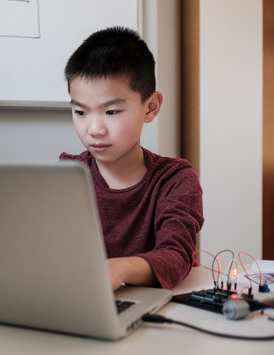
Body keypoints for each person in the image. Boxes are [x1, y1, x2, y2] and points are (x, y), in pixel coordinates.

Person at [60, 27, 204, 290]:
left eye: (111, 111)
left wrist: (119, 268)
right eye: (80, 112)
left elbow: (176, 256)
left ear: (151, 107)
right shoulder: (66, 175)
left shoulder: (175, 180)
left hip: (151, 309)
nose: (94, 129)